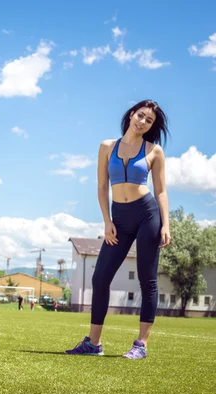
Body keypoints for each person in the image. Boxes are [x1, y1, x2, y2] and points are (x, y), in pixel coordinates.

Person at [66, 100, 171, 359]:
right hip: (119, 220)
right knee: (100, 278)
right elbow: (102, 186)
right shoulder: (107, 147)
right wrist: (107, 220)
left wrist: (166, 224)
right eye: (141, 116)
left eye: (149, 121)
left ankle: (141, 345)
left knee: (147, 280)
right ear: (131, 114)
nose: (143, 122)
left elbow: (161, 191)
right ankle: (93, 343)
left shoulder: (154, 151)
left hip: (147, 215)